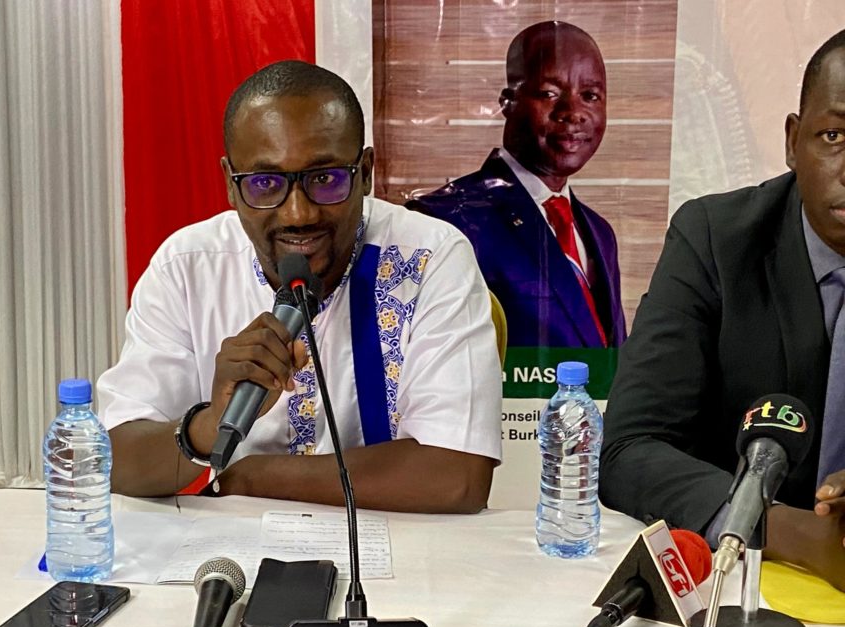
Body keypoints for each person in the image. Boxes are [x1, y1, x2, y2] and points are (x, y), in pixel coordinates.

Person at [97, 61, 502, 514]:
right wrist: (210, 425)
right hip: (235, 544)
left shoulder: (429, 258)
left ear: (366, 172)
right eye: (265, 183)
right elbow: (115, 462)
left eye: (324, 179)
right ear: (230, 183)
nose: (298, 214)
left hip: (399, 542)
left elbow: (457, 478)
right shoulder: (188, 266)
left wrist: (249, 477)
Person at [600, 31, 845, 589]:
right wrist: (784, 529)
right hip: (731, 582)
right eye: (834, 136)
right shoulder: (715, 240)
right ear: (793, 141)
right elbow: (628, 450)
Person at [407, 21, 625, 349]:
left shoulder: (600, 233)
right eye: (549, 93)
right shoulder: (445, 221)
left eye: (590, 96)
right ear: (508, 102)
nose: (573, 112)